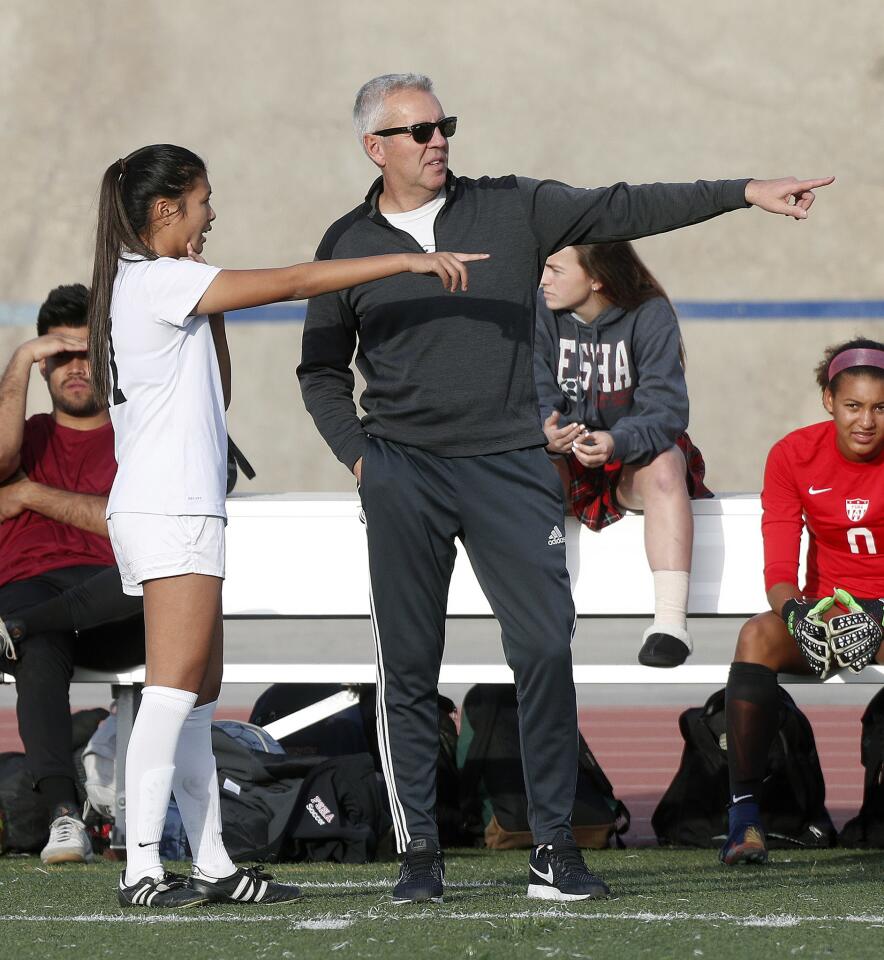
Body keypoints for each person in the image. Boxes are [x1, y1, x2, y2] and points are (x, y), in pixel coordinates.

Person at [296, 70, 833, 904]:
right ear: (376, 147)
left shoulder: (517, 206)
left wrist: (743, 191)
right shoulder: (345, 243)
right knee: (409, 665)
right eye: (419, 131)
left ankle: (554, 845)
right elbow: (321, 371)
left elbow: (629, 206)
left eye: (446, 126)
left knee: (545, 649)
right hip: (404, 471)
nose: (440, 140)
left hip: (512, 466)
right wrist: (364, 460)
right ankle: (420, 857)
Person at [88, 142, 485, 909]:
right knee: (170, 693)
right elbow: (300, 280)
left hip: (182, 505)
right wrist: (403, 264)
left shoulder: (161, 285)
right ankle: (140, 870)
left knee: (199, 696)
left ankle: (212, 864)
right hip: (168, 509)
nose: (213, 216)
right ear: (165, 208)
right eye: (203, 202)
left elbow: (221, 388)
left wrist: (218, 304)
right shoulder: (157, 279)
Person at [719, 337, 884, 866]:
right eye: (854, 405)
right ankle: (744, 819)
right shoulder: (794, 454)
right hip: (828, 617)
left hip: (882, 616)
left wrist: (879, 617)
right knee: (757, 635)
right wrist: (795, 613)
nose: (867, 421)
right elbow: (778, 567)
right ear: (828, 401)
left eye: (881, 408)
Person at [0, 283, 145, 865]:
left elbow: (132, 529)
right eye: (58, 355)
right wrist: (18, 359)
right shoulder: (25, 437)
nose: (74, 368)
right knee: (37, 645)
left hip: (116, 603)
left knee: (139, 581)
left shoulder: (138, 435)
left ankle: (18, 625)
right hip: (33, 595)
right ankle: (64, 817)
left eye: (87, 352)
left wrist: (31, 493)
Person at [535, 241, 712, 669]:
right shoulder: (538, 309)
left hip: (628, 455)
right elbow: (530, 388)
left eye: (556, 270)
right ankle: (540, 622)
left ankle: (670, 625)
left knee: (668, 461)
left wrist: (618, 441)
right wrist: (546, 428)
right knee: (523, 468)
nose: (544, 279)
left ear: (597, 277)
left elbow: (666, 410)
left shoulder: (649, 314)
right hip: (564, 457)